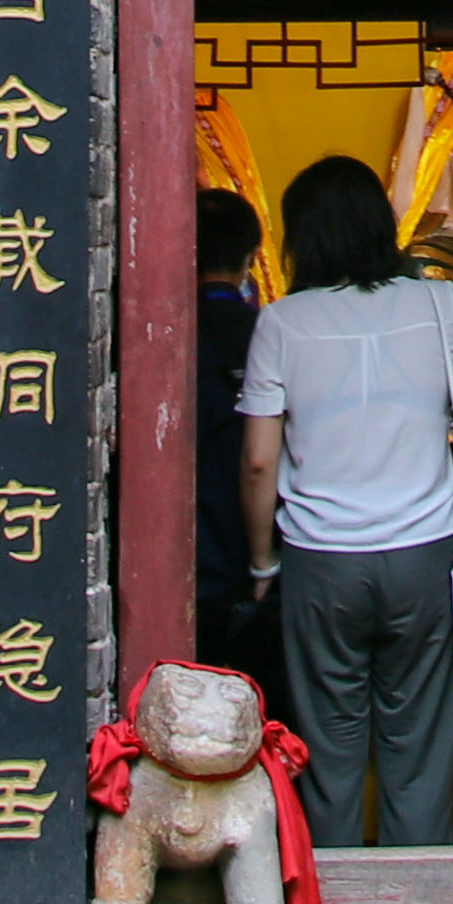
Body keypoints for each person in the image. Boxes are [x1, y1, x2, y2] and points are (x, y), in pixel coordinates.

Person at [237, 152, 453, 849]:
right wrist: (442, 472)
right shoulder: (438, 302)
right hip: (423, 552)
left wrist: (264, 563)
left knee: (327, 744)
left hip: (320, 559)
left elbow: (260, 459)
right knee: (417, 742)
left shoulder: (281, 322)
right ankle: (417, 898)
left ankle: (330, 899)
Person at [193, 186, 274, 700]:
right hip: (255, 556)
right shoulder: (270, 332)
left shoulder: (153, 331)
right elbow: (263, 460)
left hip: (188, 553)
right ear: (250, 258)